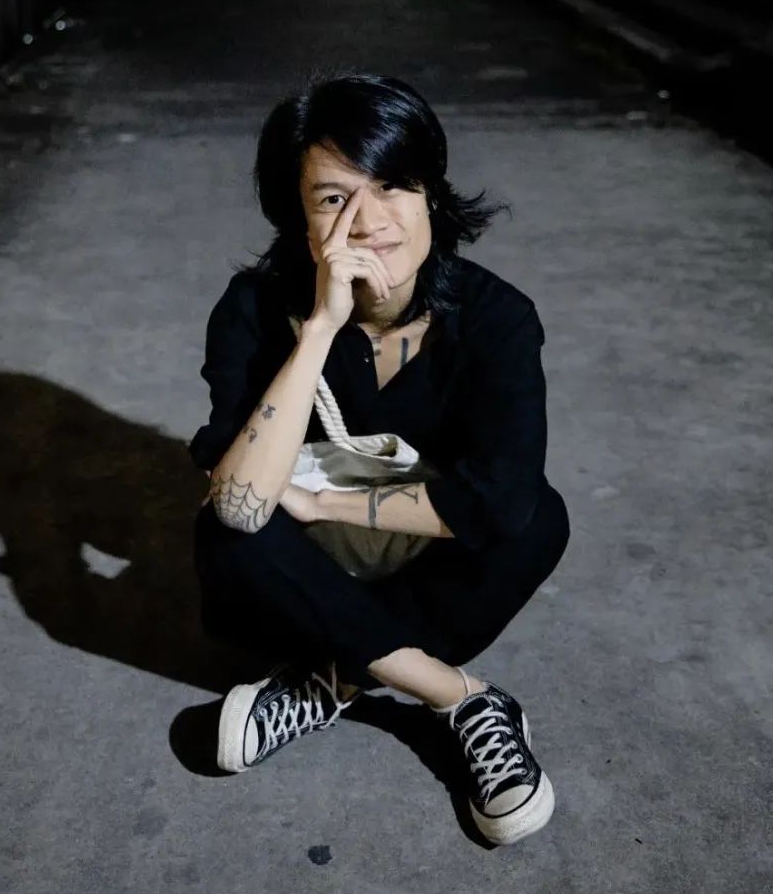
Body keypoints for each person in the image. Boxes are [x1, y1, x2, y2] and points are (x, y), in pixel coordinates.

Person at [189, 74, 570, 846]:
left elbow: (501, 503)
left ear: (431, 195)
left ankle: (333, 676)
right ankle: (462, 697)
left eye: (393, 184)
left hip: (422, 562)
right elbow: (238, 505)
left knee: (538, 521)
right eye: (333, 198)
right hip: (309, 567)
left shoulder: (497, 320)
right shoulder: (253, 310)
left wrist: (324, 502)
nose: (368, 222)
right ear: (298, 218)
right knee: (228, 532)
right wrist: (320, 330)